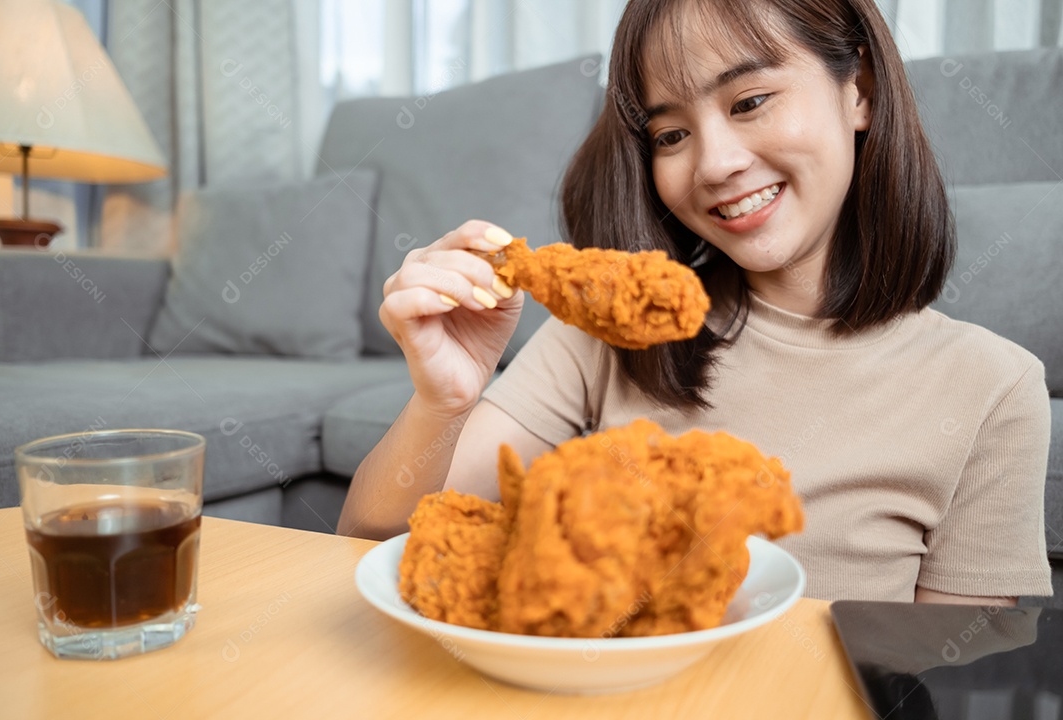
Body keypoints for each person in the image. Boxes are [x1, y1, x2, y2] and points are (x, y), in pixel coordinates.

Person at [337, 0, 1052, 605]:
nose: (714, 164)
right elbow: (372, 555)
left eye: (750, 102)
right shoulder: (603, 336)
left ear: (858, 88)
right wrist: (443, 402)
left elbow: (965, 676)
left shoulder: (993, 387)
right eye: (671, 134)